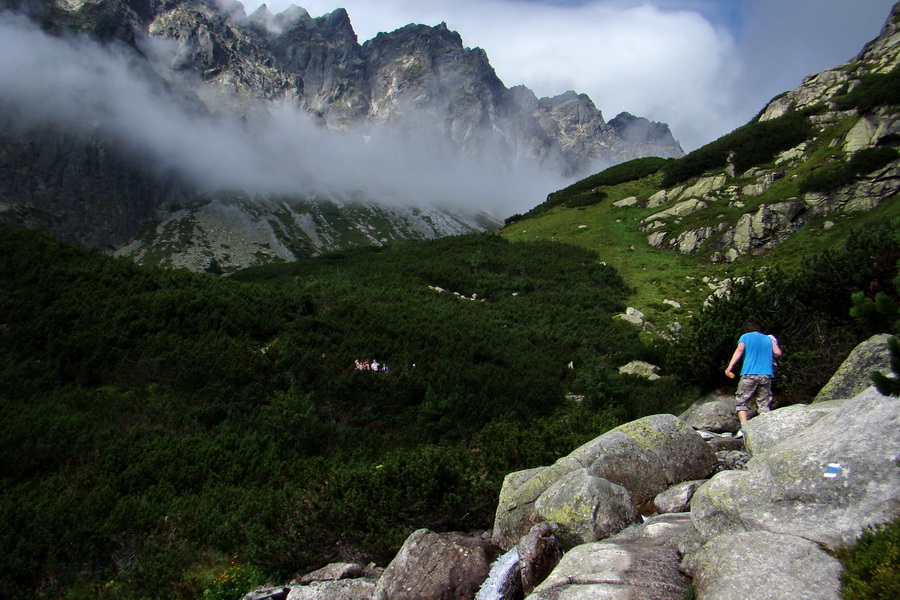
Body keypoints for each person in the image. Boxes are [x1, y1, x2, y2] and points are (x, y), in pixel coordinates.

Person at [724, 321, 783, 433]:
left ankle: (744, 428)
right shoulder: (768, 338)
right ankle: (766, 427)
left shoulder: (745, 337)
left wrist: (730, 366)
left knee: (742, 400)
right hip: (766, 374)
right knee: (764, 402)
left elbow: (740, 350)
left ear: (746, 330)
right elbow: (778, 352)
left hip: (749, 373)